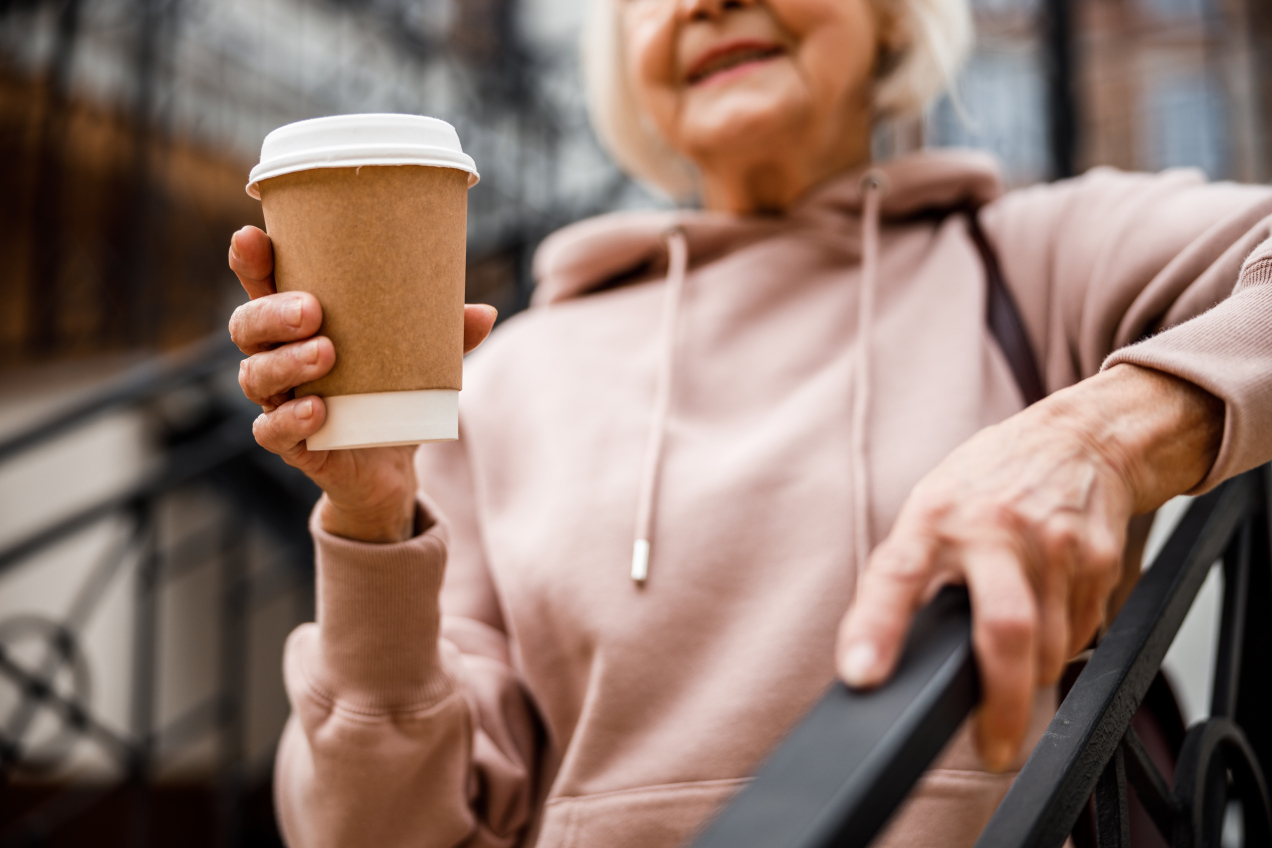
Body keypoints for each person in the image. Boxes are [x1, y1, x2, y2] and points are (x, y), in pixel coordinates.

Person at [226, 0, 1272, 843]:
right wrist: (370, 519)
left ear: (893, 21)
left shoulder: (1037, 260)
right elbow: (373, 828)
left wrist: (1106, 432)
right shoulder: (503, 380)